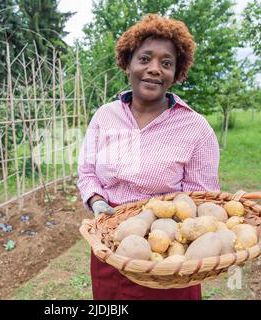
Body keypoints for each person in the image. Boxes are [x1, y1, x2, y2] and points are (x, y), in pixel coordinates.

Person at [77, 14, 220, 300]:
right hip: (112, 242)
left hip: (168, 249)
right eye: (145, 59)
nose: (154, 69)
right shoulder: (106, 116)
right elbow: (88, 173)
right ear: (128, 62)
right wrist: (98, 203)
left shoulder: (195, 127)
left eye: (166, 63)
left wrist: (172, 236)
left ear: (176, 73)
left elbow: (202, 199)